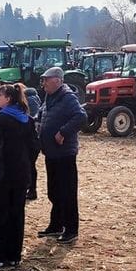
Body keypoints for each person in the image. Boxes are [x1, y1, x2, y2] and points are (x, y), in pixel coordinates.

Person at [0, 83, 38, 268]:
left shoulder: (1, 120)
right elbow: (35, 147)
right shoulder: (27, 120)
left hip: (1, 176)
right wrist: (26, 164)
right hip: (21, 175)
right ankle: (13, 255)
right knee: (16, 214)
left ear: (8, 99)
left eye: (0, 96)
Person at [36, 67, 87, 244]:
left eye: (46, 80)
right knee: (54, 191)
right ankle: (56, 225)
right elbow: (42, 114)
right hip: (51, 152)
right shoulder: (49, 97)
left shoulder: (68, 97)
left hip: (64, 153)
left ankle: (71, 230)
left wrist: (63, 132)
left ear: (57, 81)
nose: (43, 83)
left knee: (67, 192)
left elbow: (81, 117)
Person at [24, 86, 42, 201]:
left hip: (32, 138)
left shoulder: (30, 100)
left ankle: (31, 189)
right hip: (35, 139)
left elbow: (32, 118)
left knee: (30, 165)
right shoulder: (37, 99)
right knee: (31, 165)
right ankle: (31, 189)